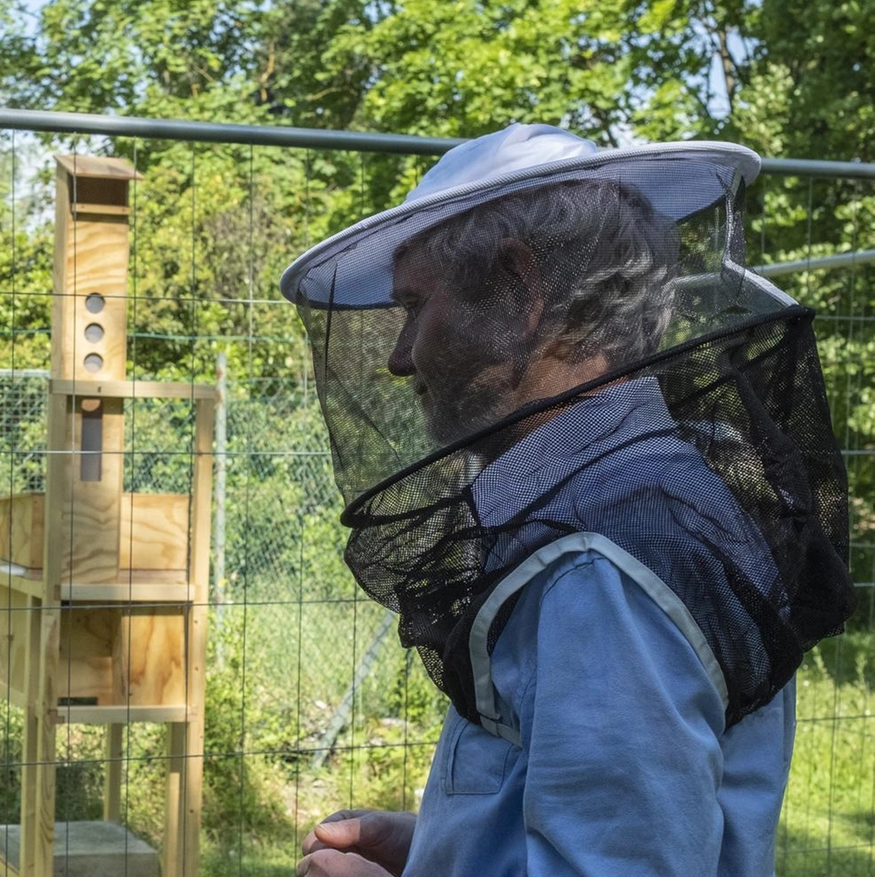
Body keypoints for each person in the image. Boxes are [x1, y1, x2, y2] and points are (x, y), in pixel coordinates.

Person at [280, 125, 852, 876]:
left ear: (521, 292)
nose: (397, 355)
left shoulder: (599, 561)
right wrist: (446, 843)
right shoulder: (646, 496)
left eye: (416, 307)